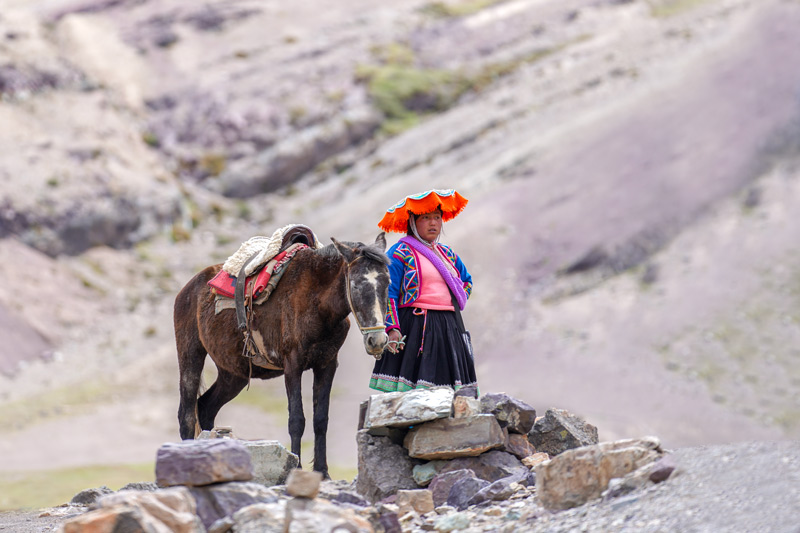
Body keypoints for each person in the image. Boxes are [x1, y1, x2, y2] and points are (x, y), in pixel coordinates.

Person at [369, 189, 477, 393]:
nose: (433, 223)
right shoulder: (400, 253)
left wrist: (449, 301)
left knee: (451, 393)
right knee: (414, 393)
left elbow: (467, 282)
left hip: (449, 326)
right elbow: (387, 293)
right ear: (412, 222)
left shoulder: (448, 254)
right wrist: (392, 328)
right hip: (416, 326)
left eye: (437, 217)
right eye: (426, 218)